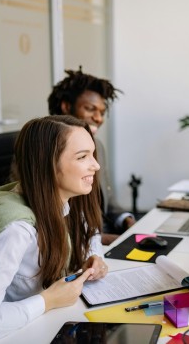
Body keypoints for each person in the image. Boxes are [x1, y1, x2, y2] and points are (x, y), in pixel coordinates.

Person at [0, 115, 109, 343]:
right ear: (47, 165)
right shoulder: (17, 230)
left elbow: (90, 234)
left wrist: (94, 257)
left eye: (92, 154)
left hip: (44, 327)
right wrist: (48, 300)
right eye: (82, 157)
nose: (96, 165)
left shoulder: (67, 200)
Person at [48, 68, 135, 245]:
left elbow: (108, 199)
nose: (98, 118)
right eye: (90, 109)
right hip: (73, 245)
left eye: (102, 112)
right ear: (66, 106)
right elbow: (43, 214)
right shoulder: (42, 148)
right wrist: (99, 240)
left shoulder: (98, 146)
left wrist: (128, 222)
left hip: (102, 238)